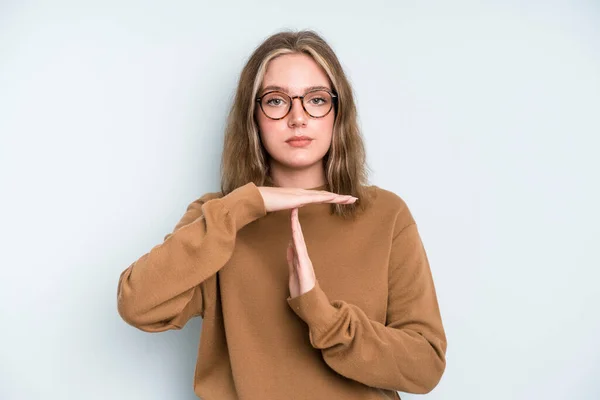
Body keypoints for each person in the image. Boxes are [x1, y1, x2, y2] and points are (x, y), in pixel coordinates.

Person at [117, 30, 447, 400]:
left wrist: (322, 316)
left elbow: (425, 367)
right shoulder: (220, 218)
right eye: (276, 101)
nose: (298, 117)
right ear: (253, 116)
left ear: (338, 113)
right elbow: (137, 305)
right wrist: (245, 205)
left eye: (316, 100)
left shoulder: (386, 215)